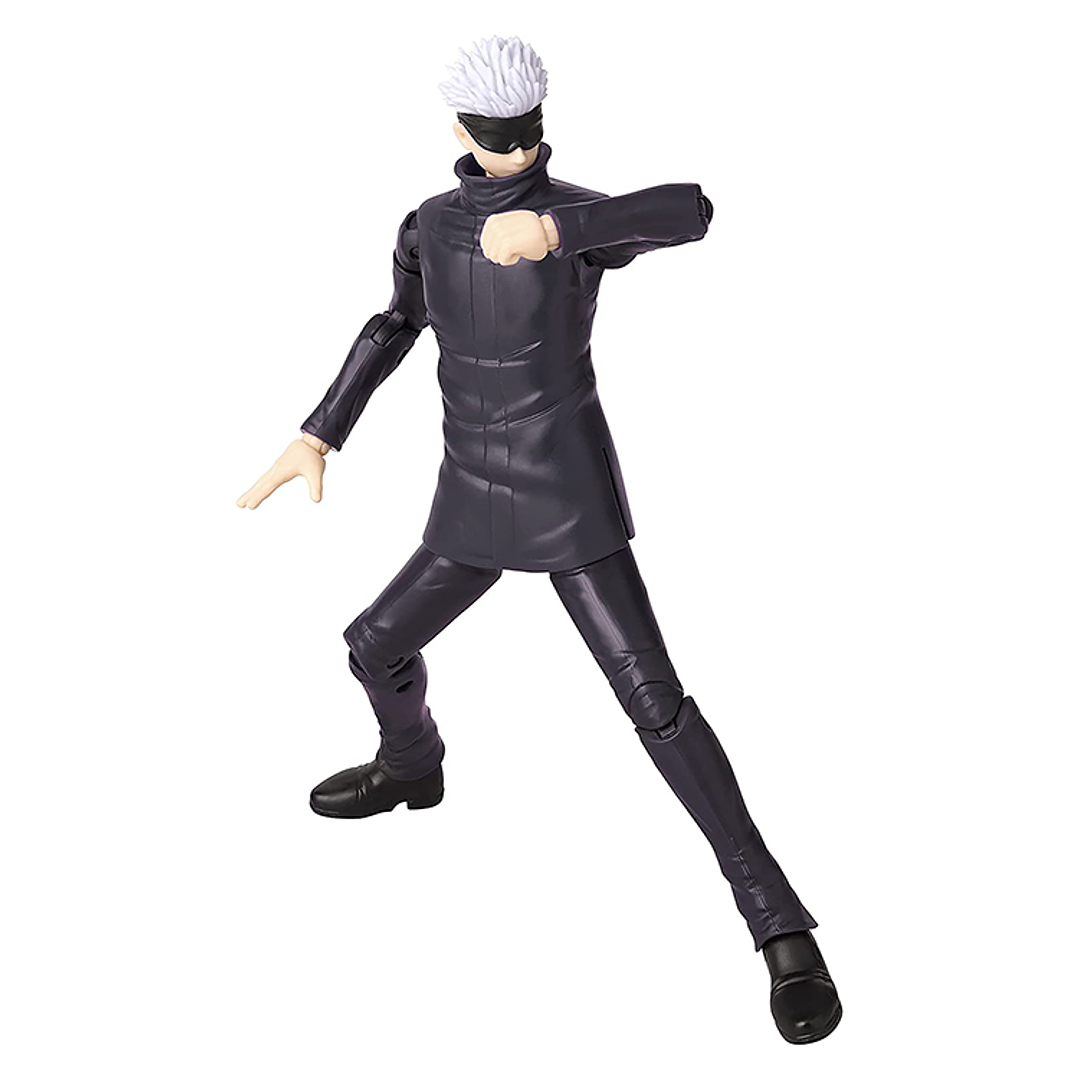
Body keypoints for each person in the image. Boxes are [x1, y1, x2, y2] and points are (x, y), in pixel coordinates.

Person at [237, 36, 841, 1045]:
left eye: (526, 135)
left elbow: (689, 211)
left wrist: (557, 231)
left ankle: (777, 921)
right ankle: (412, 762)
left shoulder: (576, 220)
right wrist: (317, 432)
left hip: (567, 501)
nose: (514, 152)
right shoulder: (428, 224)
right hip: (470, 496)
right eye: (496, 137)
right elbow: (394, 324)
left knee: (655, 703)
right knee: (373, 644)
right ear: (460, 132)